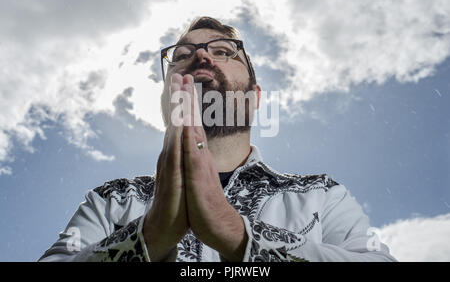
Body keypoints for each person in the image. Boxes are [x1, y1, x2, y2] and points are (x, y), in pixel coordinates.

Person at [38, 16, 397, 262]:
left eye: (224, 51)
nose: (201, 55)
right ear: (166, 101)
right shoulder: (111, 201)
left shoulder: (322, 195)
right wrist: (146, 237)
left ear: (254, 98)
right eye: (182, 56)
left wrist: (237, 234)